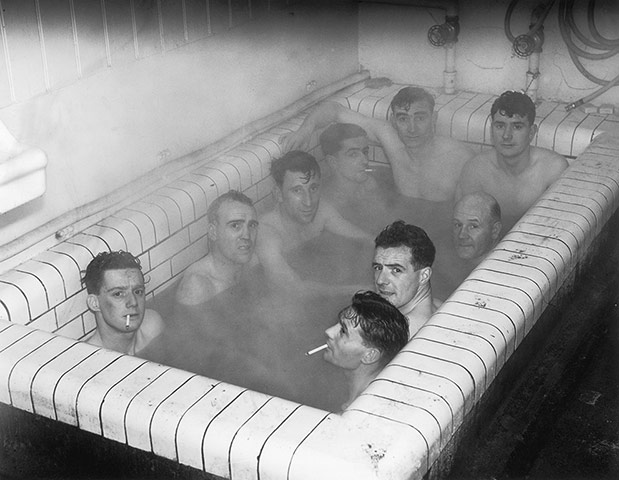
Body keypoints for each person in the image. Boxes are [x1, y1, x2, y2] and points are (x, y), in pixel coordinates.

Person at [282, 86, 474, 202]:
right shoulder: (391, 141)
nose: (412, 128)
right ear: (393, 120)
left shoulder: (459, 158)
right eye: (403, 119)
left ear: (434, 118)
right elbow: (333, 110)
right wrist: (305, 130)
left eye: (420, 117)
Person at [256, 150, 374, 296]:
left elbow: (366, 239)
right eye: (297, 190)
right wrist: (358, 291)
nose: (308, 201)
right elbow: (293, 289)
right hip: (275, 304)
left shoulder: (321, 211)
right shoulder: (267, 233)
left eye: (313, 188)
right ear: (278, 194)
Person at [456, 90, 568, 231]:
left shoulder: (553, 170)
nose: (506, 135)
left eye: (517, 127)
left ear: (532, 132)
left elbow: (559, 228)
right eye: (500, 126)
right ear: (492, 130)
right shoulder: (476, 170)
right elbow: (465, 232)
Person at [323, 290, 409, 410]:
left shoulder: (367, 409)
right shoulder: (345, 388)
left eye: (343, 331)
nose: (329, 332)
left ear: (369, 355)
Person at [175, 190, 258, 305]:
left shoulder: (253, 263)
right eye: (235, 226)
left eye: (252, 225)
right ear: (213, 232)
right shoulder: (198, 286)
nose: (247, 235)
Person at [82, 250, 164, 355]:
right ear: (94, 303)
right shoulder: (92, 358)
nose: (133, 302)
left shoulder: (152, 327)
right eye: (118, 294)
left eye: (138, 292)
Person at [372, 220, 438, 339]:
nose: (380, 280)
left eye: (396, 270)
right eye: (378, 268)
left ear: (424, 275)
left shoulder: (396, 335)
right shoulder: (439, 305)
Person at [453, 192, 502, 266]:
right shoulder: (444, 261)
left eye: (473, 226)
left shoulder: (504, 268)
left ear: (495, 230)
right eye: (458, 225)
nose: (461, 235)